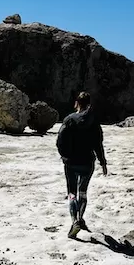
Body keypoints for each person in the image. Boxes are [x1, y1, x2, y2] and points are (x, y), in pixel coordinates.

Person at [56, 91, 107, 239]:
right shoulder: (94, 121)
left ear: (76, 103)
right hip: (87, 162)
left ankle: (75, 221)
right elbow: (98, 144)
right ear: (89, 104)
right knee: (83, 192)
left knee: (72, 193)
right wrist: (102, 162)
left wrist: (64, 156)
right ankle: (80, 218)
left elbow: (60, 141)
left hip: (71, 162)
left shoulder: (69, 119)